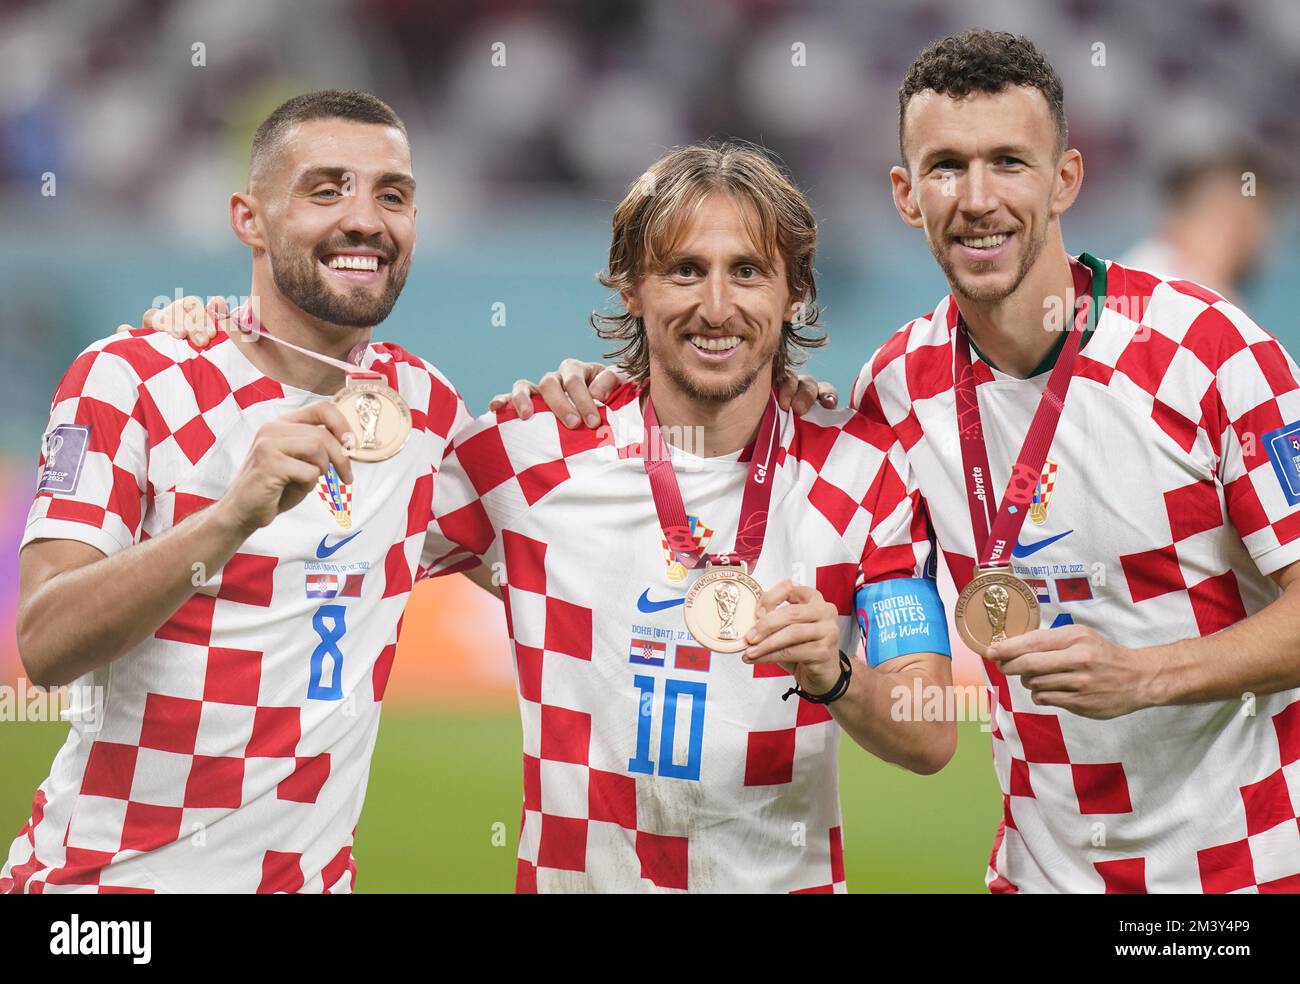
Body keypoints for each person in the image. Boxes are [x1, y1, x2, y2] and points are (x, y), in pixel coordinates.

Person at [507, 30, 1300, 895]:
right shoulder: (896, 389)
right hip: (1038, 873)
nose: (978, 198)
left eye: (1010, 162)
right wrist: (607, 388)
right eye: (947, 166)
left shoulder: (1208, 352)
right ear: (906, 194)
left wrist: (1146, 676)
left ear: (1065, 178)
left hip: (1246, 871)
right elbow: (913, 689)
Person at [0, 89, 609, 894]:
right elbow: (44, 646)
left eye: (392, 195)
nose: (365, 219)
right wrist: (230, 518)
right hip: (106, 898)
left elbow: (572, 575)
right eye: (327, 190)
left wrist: (580, 403)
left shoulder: (421, 412)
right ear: (249, 218)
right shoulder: (134, 377)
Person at [421, 141, 955, 893]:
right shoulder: (529, 453)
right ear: (633, 290)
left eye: (747, 271)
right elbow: (339, 542)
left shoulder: (865, 472)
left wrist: (836, 677)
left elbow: (929, 727)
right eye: (683, 271)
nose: (715, 307)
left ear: (793, 293)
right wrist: (208, 332)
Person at [1121, 150, 1277, 305]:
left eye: (1248, 223)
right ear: (1179, 216)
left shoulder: (1209, 289)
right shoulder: (1155, 282)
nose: (1240, 236)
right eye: (1221, 215)